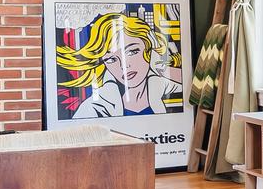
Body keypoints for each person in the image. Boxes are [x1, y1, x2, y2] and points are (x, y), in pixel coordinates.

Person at [57, 10, 185, 118]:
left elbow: (191, 87)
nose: (124, 66)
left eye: (132, 52)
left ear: (148, 49)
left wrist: (159, 65)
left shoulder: (159, 84)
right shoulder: (94, 107)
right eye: (111, 59)